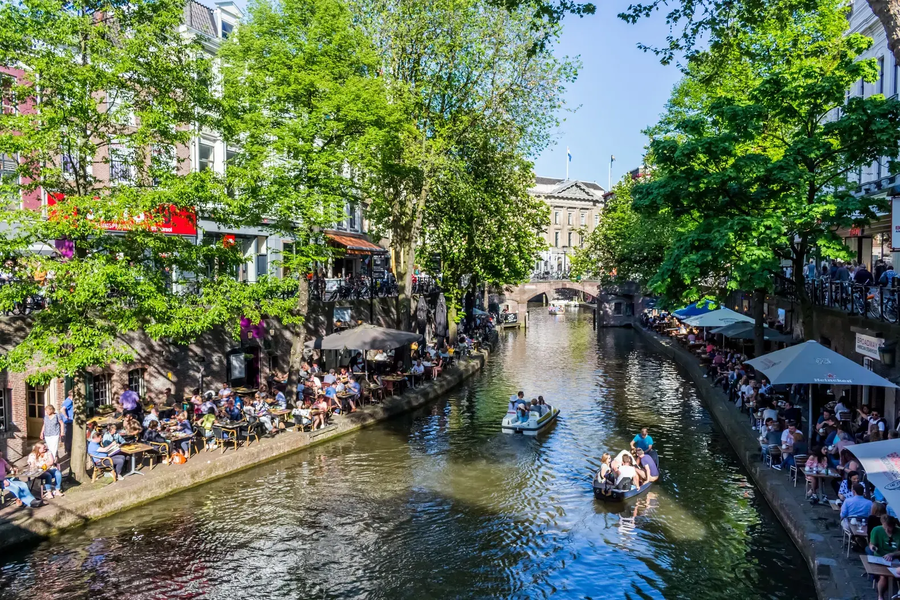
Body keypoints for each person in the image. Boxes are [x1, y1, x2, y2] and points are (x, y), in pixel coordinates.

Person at [870, 515, 900, 600]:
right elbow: (871, 544)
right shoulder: (876, 530)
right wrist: (873, 547)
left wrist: (892, 554)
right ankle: (880, 596)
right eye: (885, 528)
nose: (887, 530)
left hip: (896, 558)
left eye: (889, 528)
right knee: (883, 575)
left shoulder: (898, 532)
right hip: (880, 557)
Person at [61, 390, 74, 458]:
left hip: (70, 421)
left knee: (69, 436)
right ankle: (69, 451)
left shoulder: (68, 401)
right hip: (69, 422)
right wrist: (66, 416)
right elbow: (62, 409)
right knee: (69, 437)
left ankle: (69, 450)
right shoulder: (69, 401)